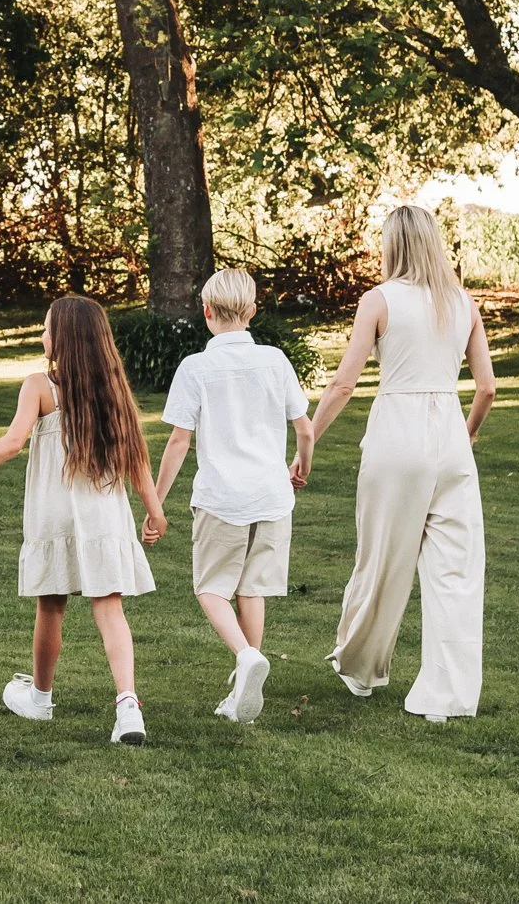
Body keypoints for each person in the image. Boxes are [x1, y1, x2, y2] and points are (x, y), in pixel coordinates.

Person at [0, 296, 166, 745]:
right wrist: (155, 511)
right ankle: (128, 706)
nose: (42, 336)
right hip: (103, 514)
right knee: (109, 607)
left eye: (46, 329)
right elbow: (136, 459)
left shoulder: (40, 386)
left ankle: (40, 699)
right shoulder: (114, 391)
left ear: (64, 340)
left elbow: (12, 442)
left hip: (54, 513)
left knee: (51, 605)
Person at [308, 204, 497, 720]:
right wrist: (465, 434)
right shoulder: (463, 302)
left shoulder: (379, 300)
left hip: (397, 435)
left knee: (381, 561)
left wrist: (309, 440)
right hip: (450, 439)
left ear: (393, 245)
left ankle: (361, 669)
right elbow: (486, 388)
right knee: (456, 573)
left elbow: (343, 384)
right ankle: (447, 698)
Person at [153, 268, 312, 724]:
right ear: (253, 311)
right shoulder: (275, 360)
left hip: (222, 498)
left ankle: (246, 657)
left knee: (210, 588)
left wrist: (156, 502)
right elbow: (304, 429)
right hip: (271, 496)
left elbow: (179, 441)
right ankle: (245, 685)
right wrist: (300, 466)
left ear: (206, 312)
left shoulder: (195, 368)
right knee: (251, 588)